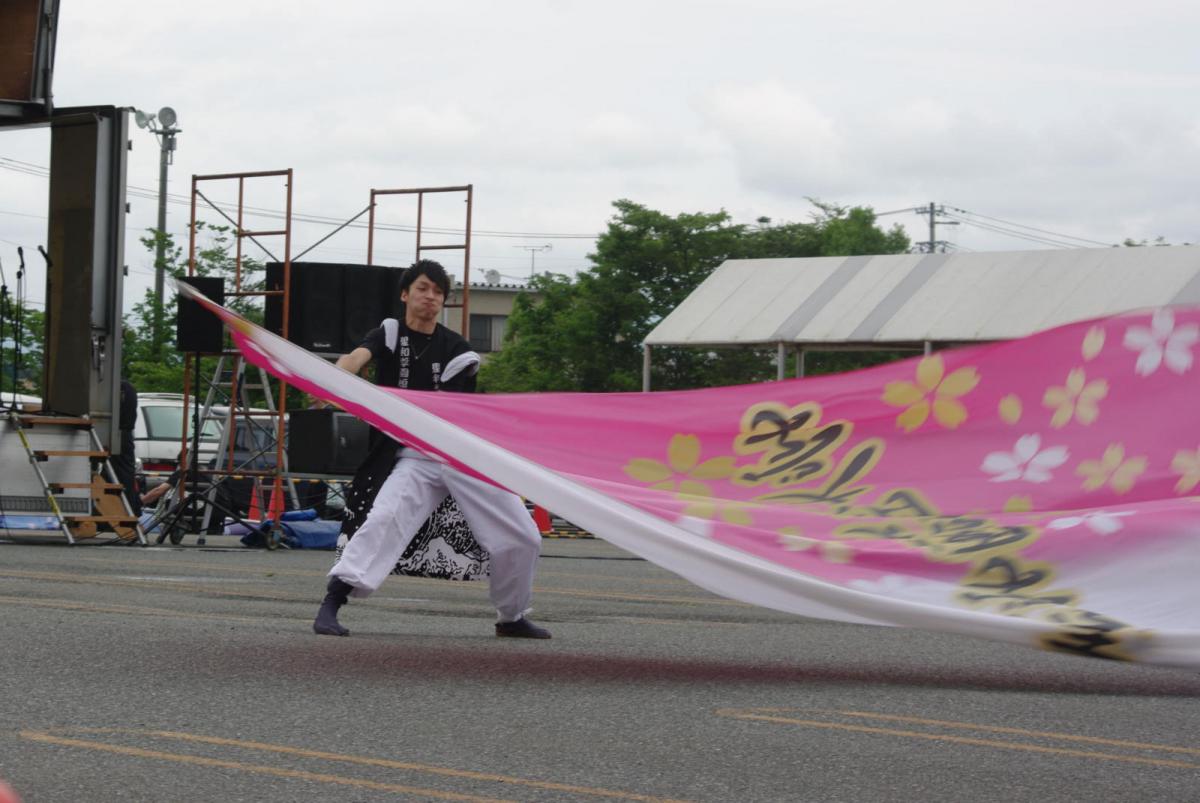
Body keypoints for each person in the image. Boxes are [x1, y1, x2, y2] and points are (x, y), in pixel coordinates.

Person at [313, 259, 550, 639]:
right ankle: (331, 603)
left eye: (438, 292)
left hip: (460, 454)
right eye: (423, 288)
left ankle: (512, 616)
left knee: (524, 534)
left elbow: (458, 410)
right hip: (416, 456)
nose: (431, 297)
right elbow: (356, 358)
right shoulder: (390, 333)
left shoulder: (456, 348)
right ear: (406, 294)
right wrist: (331, 383)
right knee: (383, 519)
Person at [112, 379, 142, 516]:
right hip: (126, 433)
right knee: (126, 473)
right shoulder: (127, 387)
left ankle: (126, 509)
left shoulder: (116, 387)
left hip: (119, 433)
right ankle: (130, 508)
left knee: (120, 472)